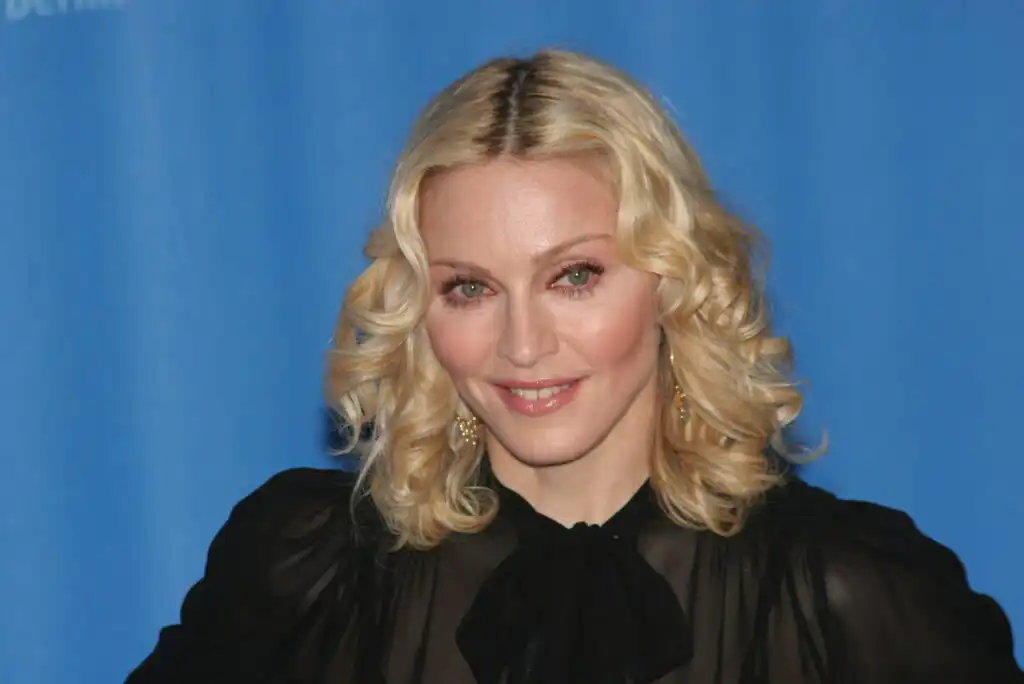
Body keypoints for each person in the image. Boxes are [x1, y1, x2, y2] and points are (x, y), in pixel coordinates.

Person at [125, 49, 1022, 684]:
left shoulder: (848, 597)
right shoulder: (306, 577)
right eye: (470, 287)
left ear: (673, 280)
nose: (523, 344)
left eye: (574, 276)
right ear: (420, 312)